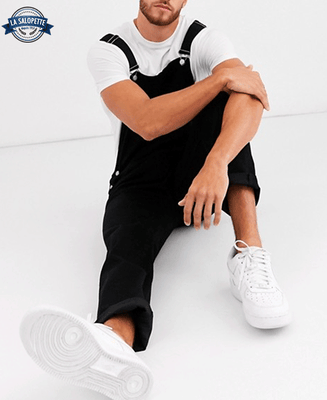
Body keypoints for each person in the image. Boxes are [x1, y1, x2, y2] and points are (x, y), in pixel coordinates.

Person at [20, 1, 291, 399]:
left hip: (203, 180)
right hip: (140, 181)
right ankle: (113, 343)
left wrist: (216, 163)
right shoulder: (109, 50)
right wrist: (219, 79)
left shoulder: (205, 40)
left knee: (233, 104)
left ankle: (248, 253)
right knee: (126, 250)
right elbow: (146, 121)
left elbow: (251, 96)